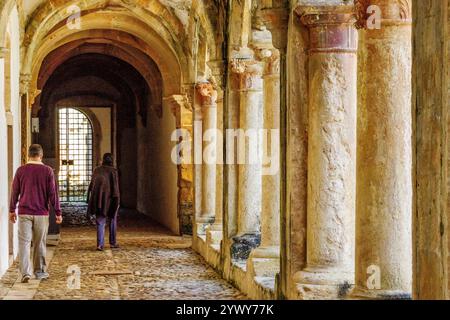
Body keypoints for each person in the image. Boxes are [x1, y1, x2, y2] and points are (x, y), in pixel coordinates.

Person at [9, 144, 63, 283]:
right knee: (39, 243)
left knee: (24, 243)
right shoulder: (48, 171)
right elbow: (53, 194)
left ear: (28, 155)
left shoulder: (20, 171)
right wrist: (57, 212)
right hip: (41, 213)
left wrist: (11, 210)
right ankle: (39, 272)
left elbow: (15, 191)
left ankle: (25, 273)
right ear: (41, 155)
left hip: (24, 212)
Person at [87, 153, 120, 251]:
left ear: (103, 160)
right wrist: (117, 201)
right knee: (113, 220)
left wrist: (91, 199)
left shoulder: (97, 170)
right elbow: (115, 187)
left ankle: (100, 244)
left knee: (100, 221)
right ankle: (113, 242)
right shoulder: (113, 171)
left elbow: (92, 185)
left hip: (99, 200)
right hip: (110, 199)